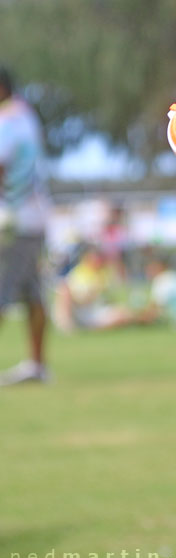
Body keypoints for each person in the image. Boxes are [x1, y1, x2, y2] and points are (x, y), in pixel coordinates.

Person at [0, 64, 53, 386]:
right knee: (32, 292)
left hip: (13, 220)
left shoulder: (8, 119)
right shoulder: (26, 115)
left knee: (3, 291)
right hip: (33, 217)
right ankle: (36, 365)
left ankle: (37, 366)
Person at [139, 252, 176, 329]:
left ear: (161, 267)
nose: (148, 271)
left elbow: (157, 306)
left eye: (152, 268)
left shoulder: (163, 280)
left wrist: (138, 317)